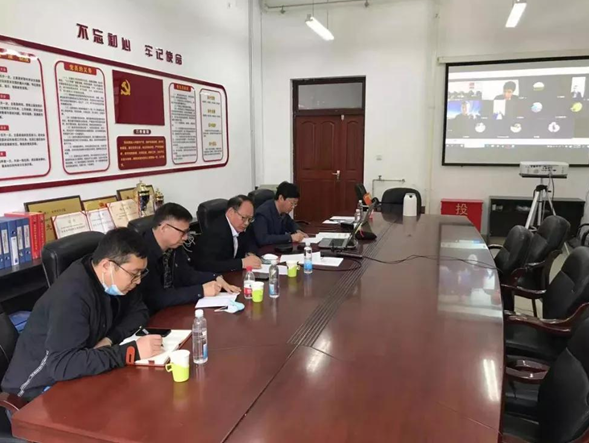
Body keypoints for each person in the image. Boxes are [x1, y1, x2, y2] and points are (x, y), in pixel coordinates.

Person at [1, 228, 162, 402]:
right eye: (134, 273)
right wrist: (131, 352)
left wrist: (110, 339)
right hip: (36, 392)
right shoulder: (72, 295)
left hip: (76, 374)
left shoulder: (113, 280)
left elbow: (139, 311)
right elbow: (62, 365)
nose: (138, 280)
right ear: (107, 266)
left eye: (141, 273)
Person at [140, 203, 239, 314]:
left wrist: (215, 277)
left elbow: (187, 274)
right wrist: (200, 291)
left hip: (174, 307)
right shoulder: (141, 254)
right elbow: (155, 298)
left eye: (187, 232)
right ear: (164, 228)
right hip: (154, 315)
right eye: (182, 232)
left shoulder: (174, 245)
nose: (186, 237)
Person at [193, 195, 262, 273]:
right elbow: (208, 265)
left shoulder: (242, 225)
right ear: (231, 212)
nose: (246, 223)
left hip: (234, 273)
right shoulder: (215, 233)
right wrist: (241, 263)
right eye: (243, 218)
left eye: (250, 219)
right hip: (216, 276)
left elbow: (251, 241)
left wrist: (250, 253)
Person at [254, 181, 307, 246]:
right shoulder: (262, 213)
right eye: (292, 203)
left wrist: (297, 230)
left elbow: (291, 223)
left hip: (278, 248)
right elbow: (263, 239)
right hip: (264, 250)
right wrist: (290, 238)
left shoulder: (283, 211)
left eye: (295, 204)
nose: (293, 207)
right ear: (281, 198)